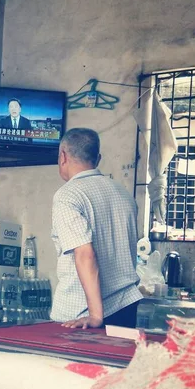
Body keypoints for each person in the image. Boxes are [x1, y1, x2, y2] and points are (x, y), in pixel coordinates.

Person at [50, 128, 142, 329]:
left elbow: (85, 254)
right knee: (115, 361)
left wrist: (95, 316)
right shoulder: (124, 194)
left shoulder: (68, 195)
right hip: (126, 307)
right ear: (98, 158)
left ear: (63, 156)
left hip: (82, 316)